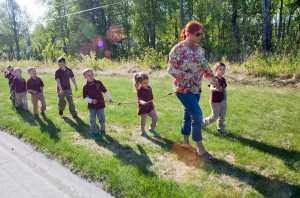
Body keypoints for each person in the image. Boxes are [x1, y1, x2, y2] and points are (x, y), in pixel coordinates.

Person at [168, 20, 219, 160]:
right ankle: (200, 148)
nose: (200, 36)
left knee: (187, 114)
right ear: (188, 33)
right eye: (198, 34)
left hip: (197, 88)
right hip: (183, 89)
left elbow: (205, 67)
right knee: (197, 115)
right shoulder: (177, 49)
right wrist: (187, 75)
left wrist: (213, 79)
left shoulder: (199, 49)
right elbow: (170, 69)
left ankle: (185, 142)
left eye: (201, 34)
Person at [83, 69, 112, 136]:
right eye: (89, 75)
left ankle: (102, 130)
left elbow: (105, 91)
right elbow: (85, 97)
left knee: (102, 118)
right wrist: (91, 101)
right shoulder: (85, 86)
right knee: (92, 119)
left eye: (92, 74)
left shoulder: (98, 83)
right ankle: (93, 131)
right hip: (92, 107)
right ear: (85, 77)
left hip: (100, 105)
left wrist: (109, 98)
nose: (91, 76)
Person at [203, 62, 228, 135]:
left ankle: (221, 128)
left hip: (222, 100)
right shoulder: (214, 79)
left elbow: (224, 89)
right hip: (215, 101)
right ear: (216, 70)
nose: (222, 71)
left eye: (224, 70)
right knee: (215, 116)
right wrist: (216, 89)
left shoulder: (223, 79)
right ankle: (203, 123)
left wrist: (225, 99)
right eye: (220, 69)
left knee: (222, 116)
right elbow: (211, 88)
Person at [133, 73, 159, 138]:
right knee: (143, 121)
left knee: (155, 118)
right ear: (140, 83)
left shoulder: (149, 87)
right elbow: (139, 99)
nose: (146, 84)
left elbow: (151, 96)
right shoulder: (139, 90)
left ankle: (152, 129)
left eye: (147, 82)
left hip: (150, 106)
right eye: (144, 83)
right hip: (143, 107)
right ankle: (143, 131)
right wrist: (142, 102)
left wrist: (153, 101)